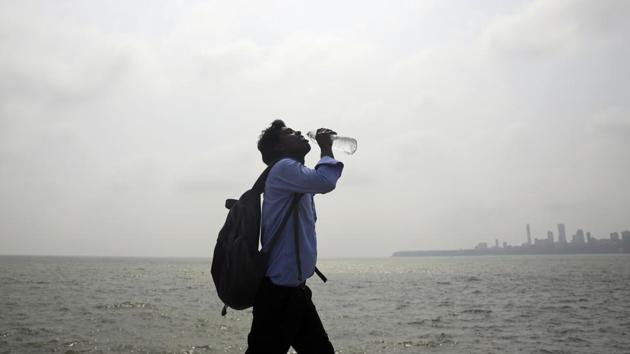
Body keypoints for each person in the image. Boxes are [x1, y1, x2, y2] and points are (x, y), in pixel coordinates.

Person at [246, 120, 344, 354]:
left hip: (295, 293)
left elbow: (316, 180)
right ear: (279, 148)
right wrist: (326, 147)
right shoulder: (283, 169)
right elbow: (325, 181)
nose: (299, 132)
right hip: (277, 297)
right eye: (289, 133)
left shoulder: (295, 176)